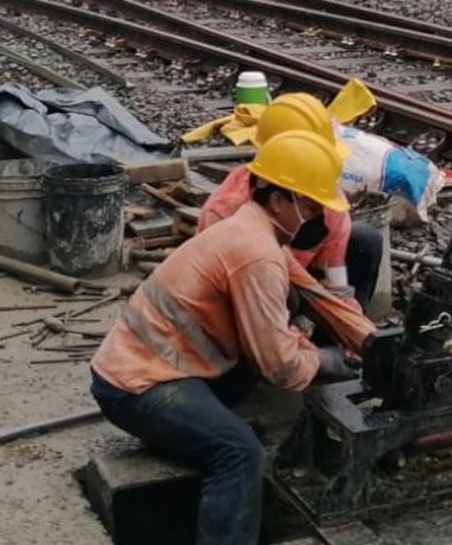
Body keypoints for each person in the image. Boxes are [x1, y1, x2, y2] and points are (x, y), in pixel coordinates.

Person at [91, 131, 360, 545]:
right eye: (310, 206)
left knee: (254, 402)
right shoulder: (257, 254)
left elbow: (309, 298)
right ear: (276, 200)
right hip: (138, 385)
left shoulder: (251, 229)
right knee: (239, 454)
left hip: (169, 361)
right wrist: (327, 361)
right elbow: (281, 367)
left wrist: (362, 335)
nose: (320, 218)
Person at [198, 92, 384, 311]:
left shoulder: (326, 195)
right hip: (252, 284)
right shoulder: (227, 209)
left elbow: (335, 272)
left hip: (303, 277)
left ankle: (330, 340)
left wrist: (348, 317)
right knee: (287, 298)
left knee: (366, 242)